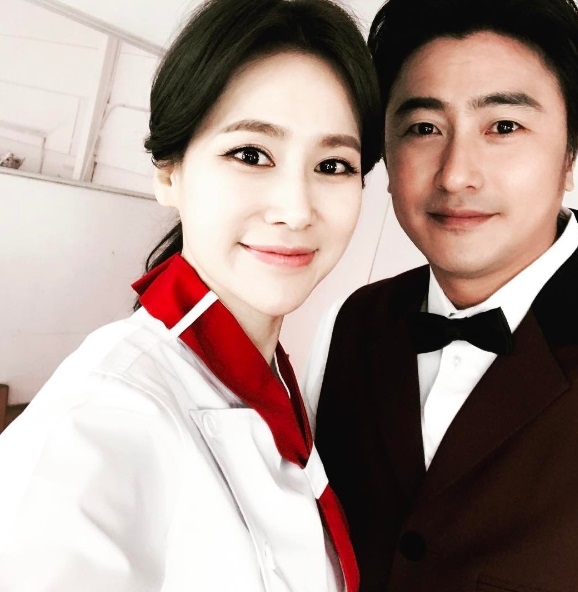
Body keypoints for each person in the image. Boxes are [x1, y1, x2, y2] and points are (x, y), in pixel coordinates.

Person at [0, 0, 382, 589]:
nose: (297, 209)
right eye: (250, 154)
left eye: (333, 165)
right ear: (168, 172)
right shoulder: (99, 421)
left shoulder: (278, 387)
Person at [306, 0, 578, 590]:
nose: (456, 175)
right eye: (424, 128)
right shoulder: (352, 322)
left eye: (503, 127)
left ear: (570, 153)